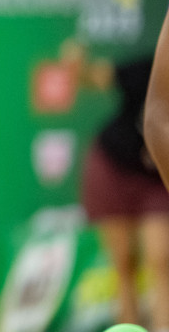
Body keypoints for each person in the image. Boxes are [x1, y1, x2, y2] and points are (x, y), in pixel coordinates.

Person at [69, 40, 169, 331]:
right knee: (123, 263)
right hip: (113, 167)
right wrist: (78, 64)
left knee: (161, 259)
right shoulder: (149, 70)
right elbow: (93, 76)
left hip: (157, 178)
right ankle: (129, 322)